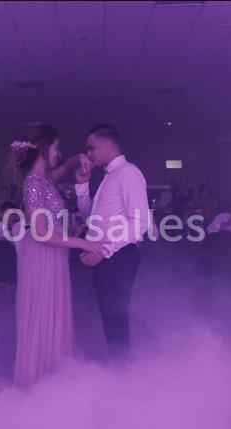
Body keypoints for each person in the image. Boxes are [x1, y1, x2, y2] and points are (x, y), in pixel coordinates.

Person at [11, 123, 106, 386]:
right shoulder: (33, 184)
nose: (59, 153)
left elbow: (65, 168)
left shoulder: (45, 178)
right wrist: (84, 243)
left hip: (52, 256)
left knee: (53, 311)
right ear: (43, 149)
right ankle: (36, 380)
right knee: (42, 314)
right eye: (56, 148)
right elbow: (41, 233)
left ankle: (51, 376)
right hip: (41, 255)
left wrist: (80, 159)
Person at [75, 124, 150, 360]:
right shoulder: (109, 177)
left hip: (118, 256)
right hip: (108, 257)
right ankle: (120, 372)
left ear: (109, 144)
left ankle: (124, 376)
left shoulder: (128, 173)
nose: (88, 154)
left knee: (116, 319)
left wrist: (103, 249)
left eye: (92, 148)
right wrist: (82, 186)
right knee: (110, 319)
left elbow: (140, 222)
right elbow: (92, 219)